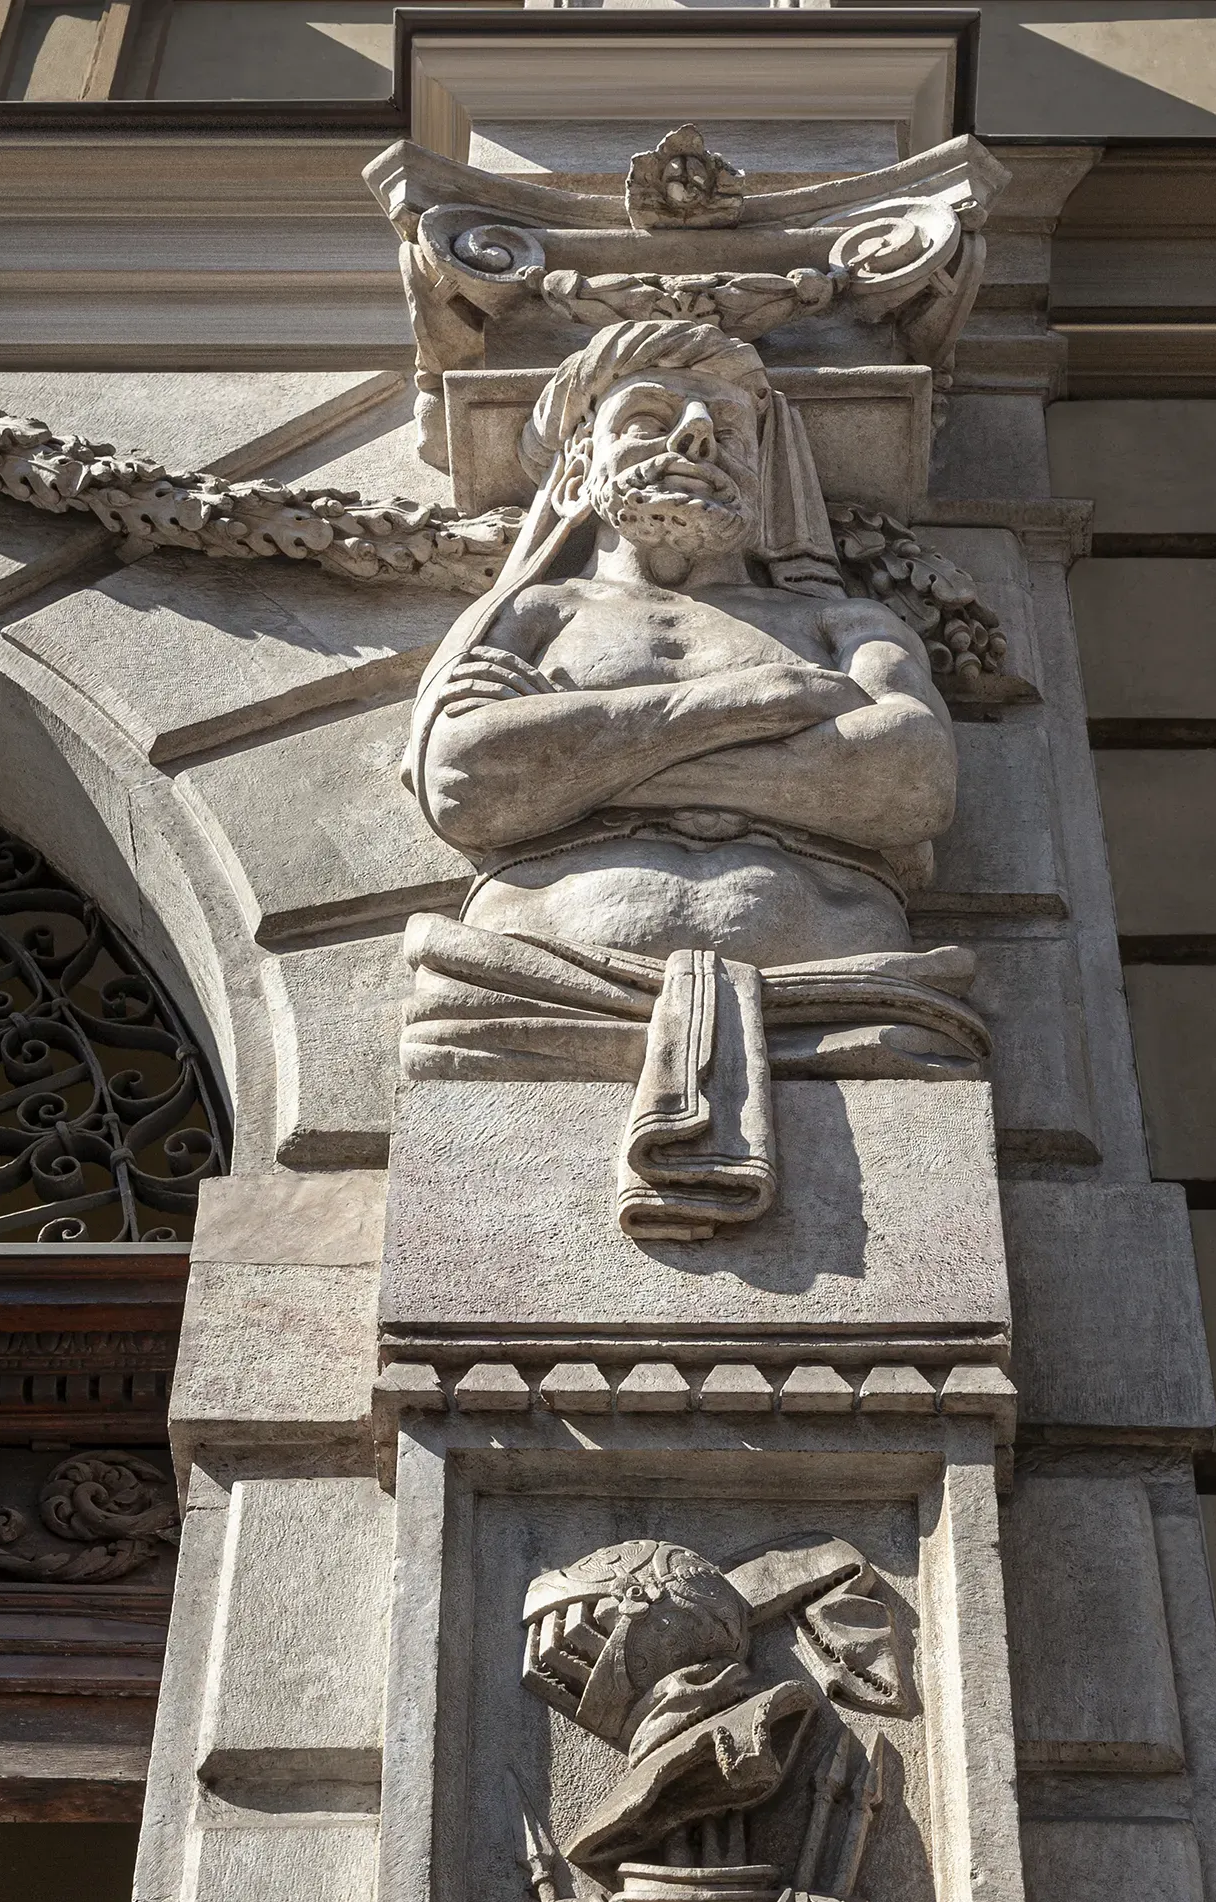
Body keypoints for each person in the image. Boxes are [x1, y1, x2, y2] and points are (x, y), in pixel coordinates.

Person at [398, 318, 988, 1238]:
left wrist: (583, 764)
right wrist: (749, 704)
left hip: (851, 1002)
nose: (695, 442)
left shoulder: (844, 624)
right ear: (583, 454)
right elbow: (468, 783)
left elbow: (910, 780)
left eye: (726, 428)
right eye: (648, 417)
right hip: (534, 991)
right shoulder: (530, 613)